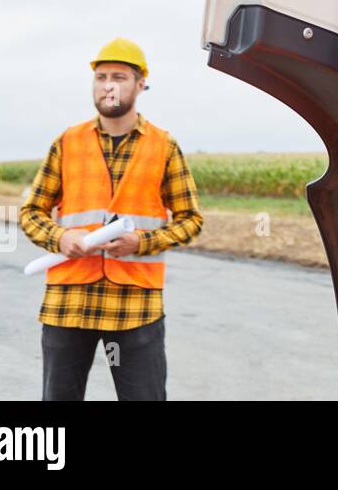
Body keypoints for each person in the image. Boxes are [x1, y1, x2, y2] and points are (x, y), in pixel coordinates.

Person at [19, 38, 204, 400]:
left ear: (140, 85)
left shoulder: (163, 147)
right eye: (101, 77)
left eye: (119, 76)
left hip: (135, 304)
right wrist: (60, 238)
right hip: (69, 302)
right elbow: (31, 212)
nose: (108, 85)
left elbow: (190, 220)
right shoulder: (67, 143)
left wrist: (143, 242)